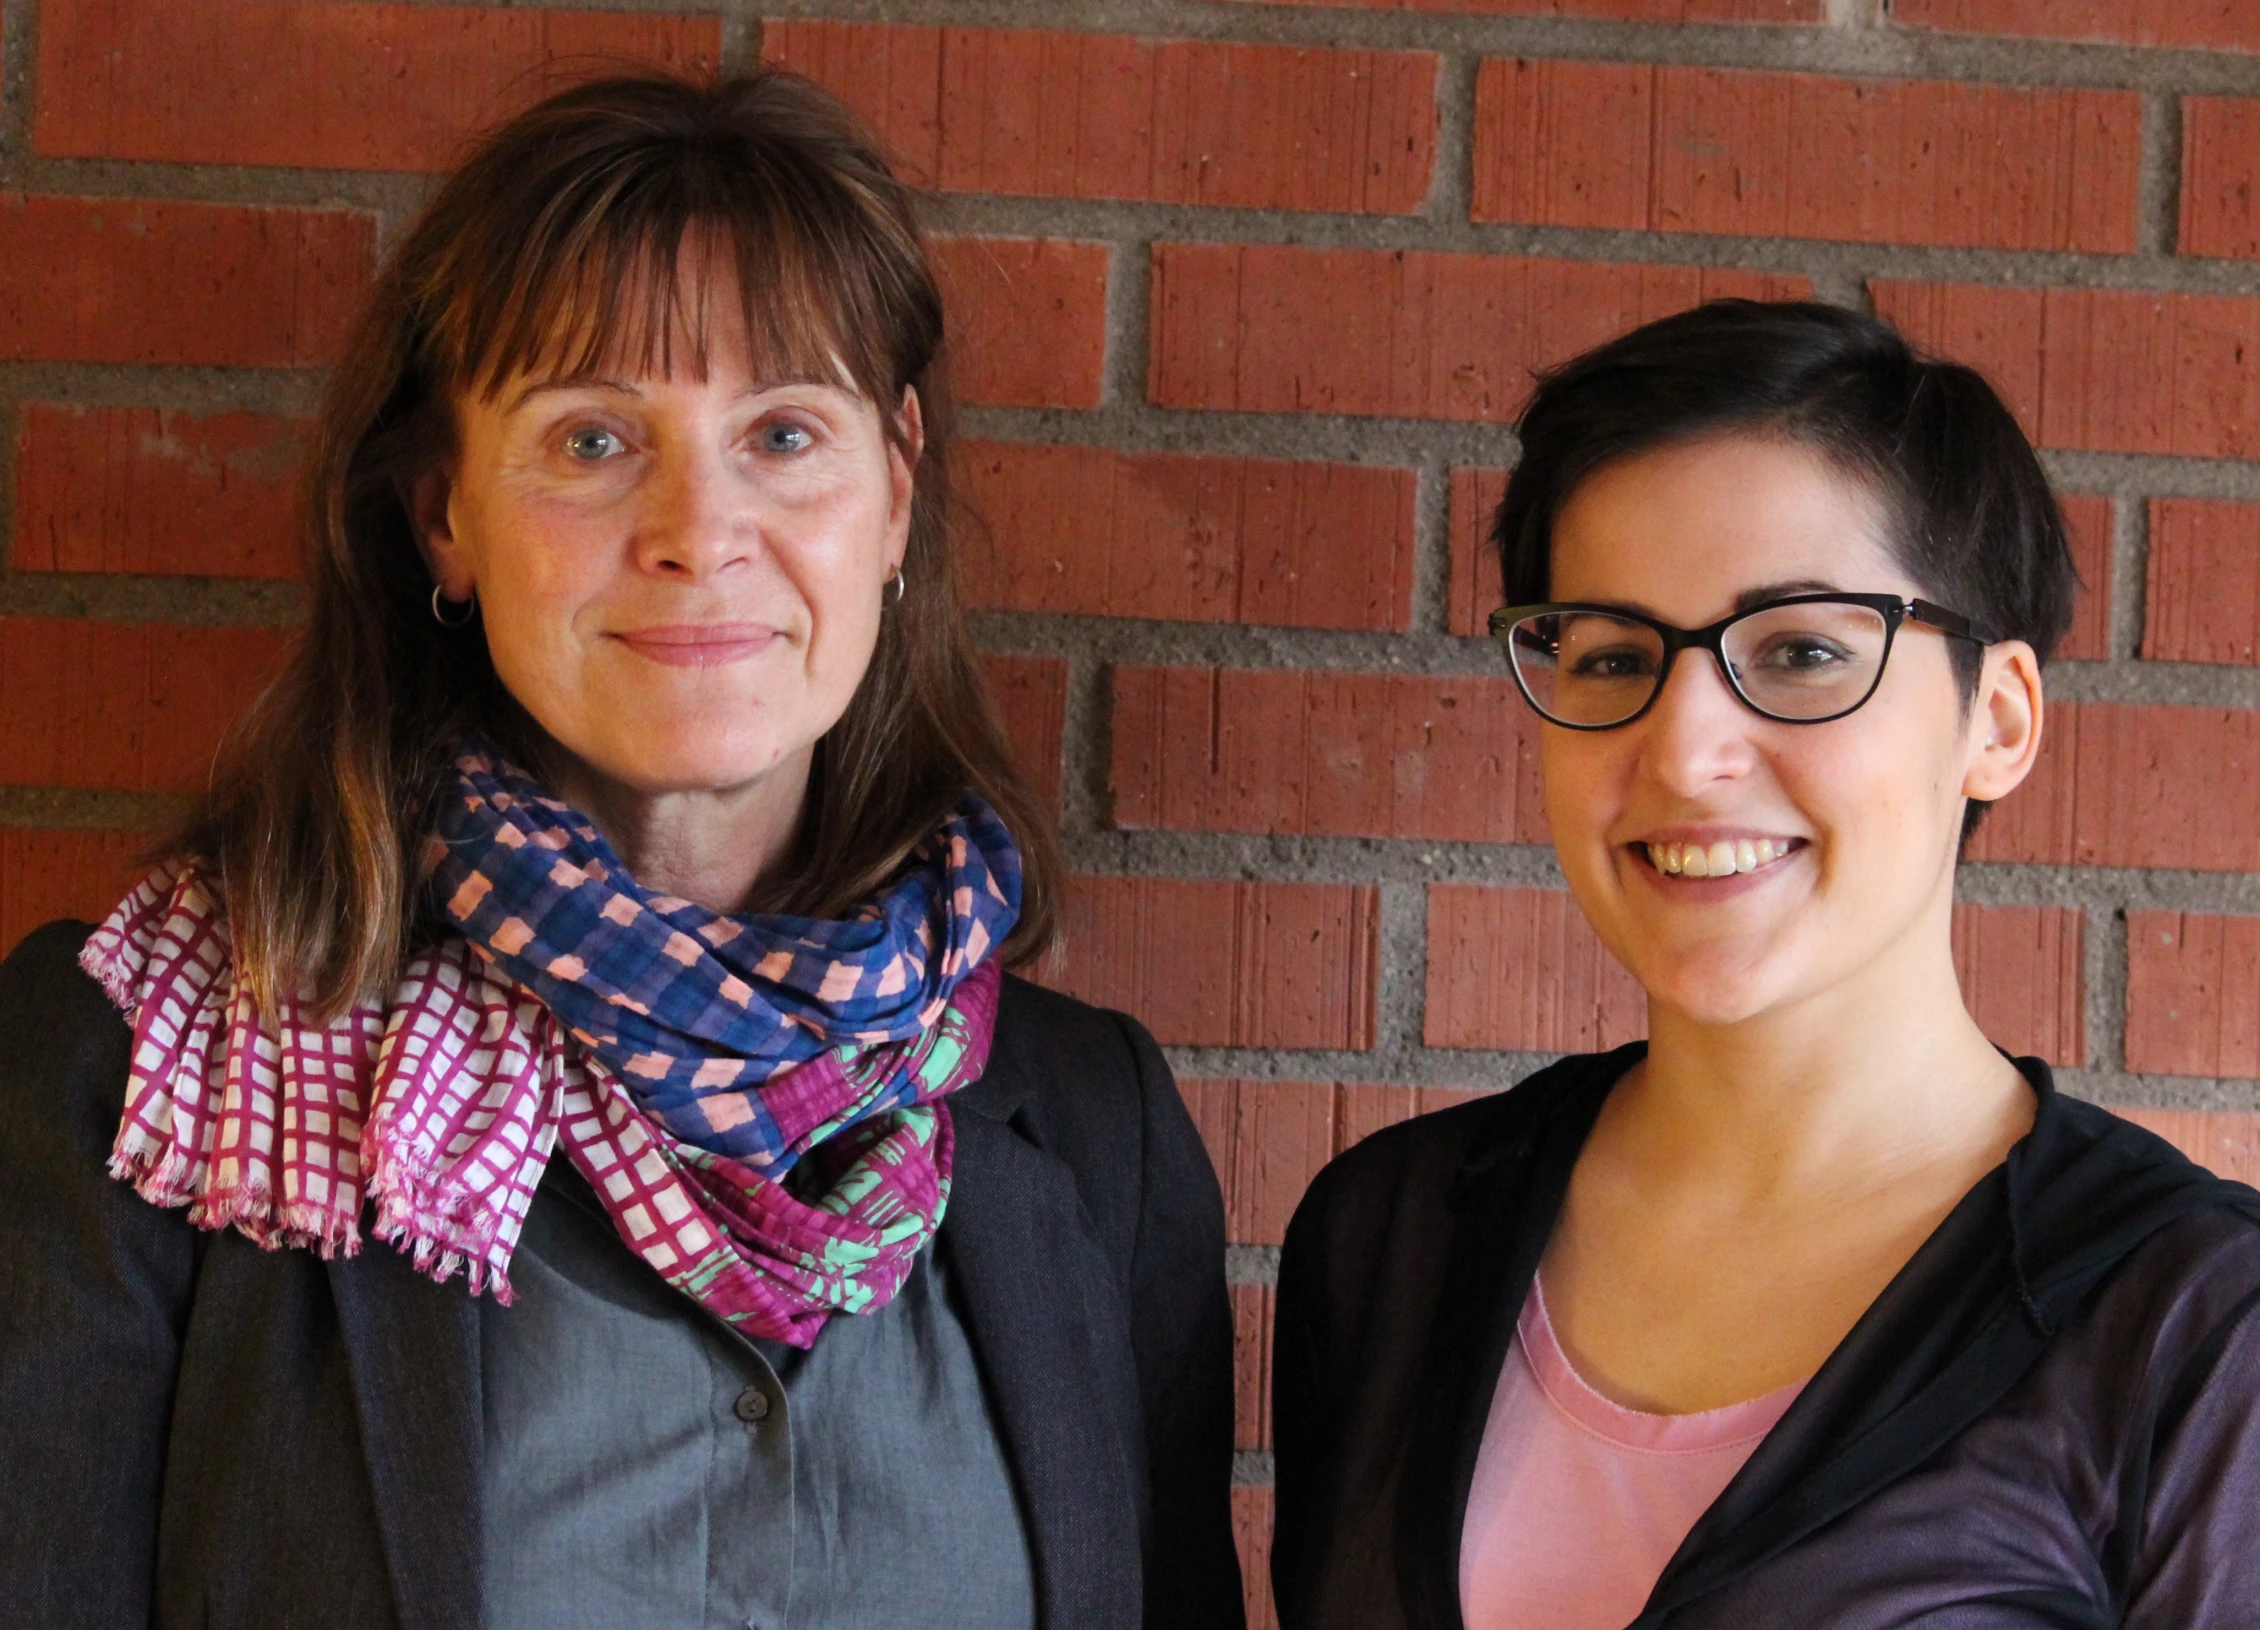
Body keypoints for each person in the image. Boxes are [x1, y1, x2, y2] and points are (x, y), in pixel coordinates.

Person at [0, 70, 1242, 1630]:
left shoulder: (1090, 1125)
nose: (697, 528)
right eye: (593, 439)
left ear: (896, 488)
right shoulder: (164, 1065)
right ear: (443, 513)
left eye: (785, 432)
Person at [1270, 301, 2260, 1630]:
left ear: (1999, 719)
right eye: (1614, 654)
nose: (1684, 751)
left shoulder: (2191, 1326)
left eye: (1801, 652)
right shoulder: (1393, 1231)